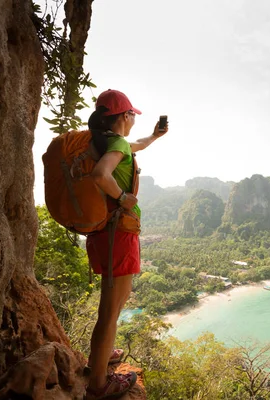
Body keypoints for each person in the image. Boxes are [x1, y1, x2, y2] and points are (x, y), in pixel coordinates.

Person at [84, 89, 168, 400]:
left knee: (112, 305)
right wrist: (123, 197)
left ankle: (101, 360)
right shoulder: (116, 144)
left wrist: (155, 137)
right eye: (132, 114)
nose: (133, 119)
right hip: (118, 233)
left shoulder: (104, 142)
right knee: (111, 310)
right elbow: (100, 175)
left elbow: (136, 146)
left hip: (103, 234)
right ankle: (98, 384)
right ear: (123, 116)